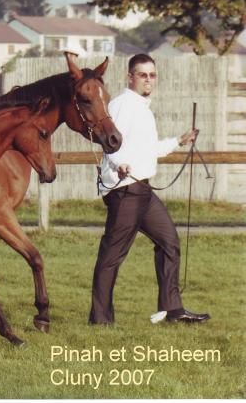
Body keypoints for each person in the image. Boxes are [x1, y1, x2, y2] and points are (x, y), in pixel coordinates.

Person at [89, 53, 210, 325]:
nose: (148, 80)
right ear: (129, 76)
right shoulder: (121, 105)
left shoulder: (143, 109)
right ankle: (100, 320)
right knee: (111, 256)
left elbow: (149, 149)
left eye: (152, 75)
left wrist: (179, 140)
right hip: (124, 191)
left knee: (169, 242)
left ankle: (172, 309)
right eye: (143, 75)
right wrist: (120, 164)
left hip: (142, 191)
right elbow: (108, 142)